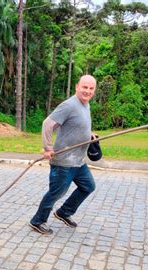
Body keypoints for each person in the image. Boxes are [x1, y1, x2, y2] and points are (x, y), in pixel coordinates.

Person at [29, 75, 97, 235]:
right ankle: (37, 221)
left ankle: (64, 212)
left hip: (78, 161)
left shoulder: (85, 105)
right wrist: (47, 147)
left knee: (88, 186)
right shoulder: (69, 105)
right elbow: (48, 123)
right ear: (77, 87)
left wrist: (89, 135)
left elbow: (77, 126)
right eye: (84, 87)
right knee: (56, 193)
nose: (87, 91)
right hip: (64, 162)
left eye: (91, 88)